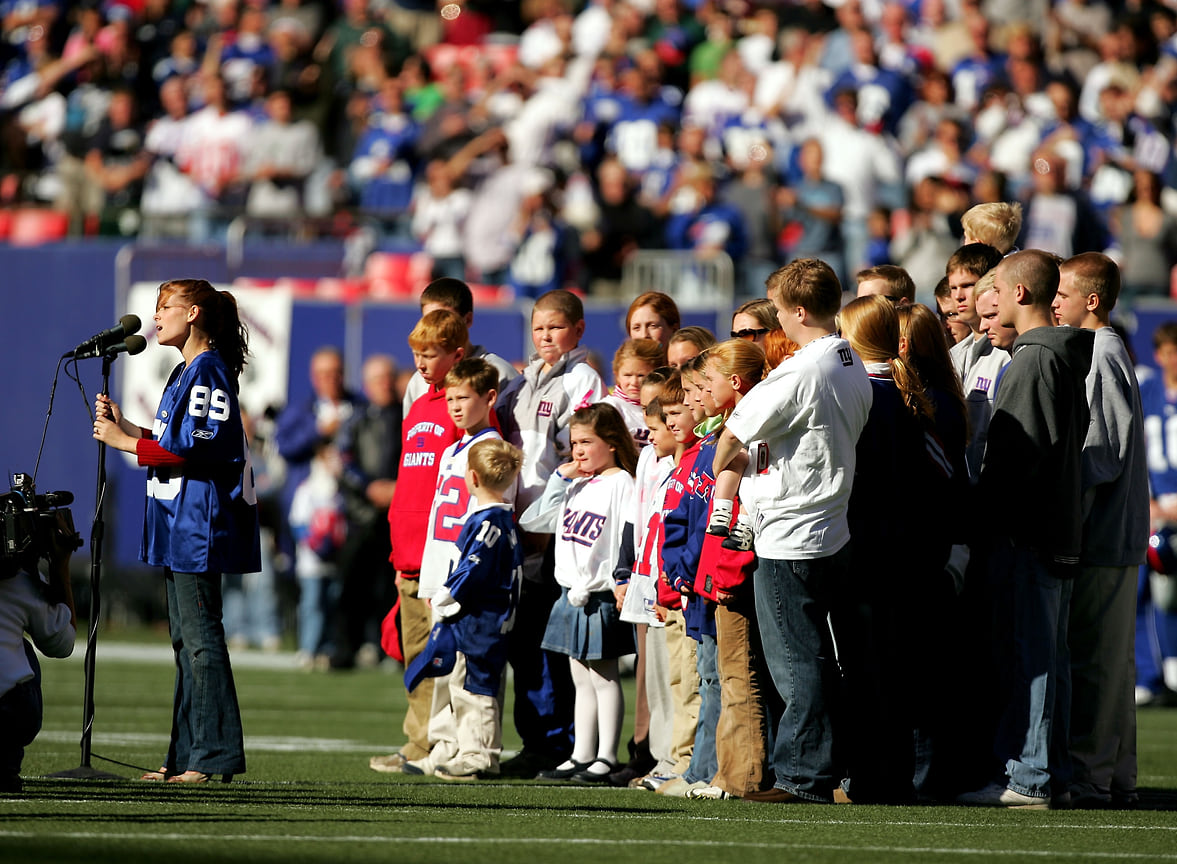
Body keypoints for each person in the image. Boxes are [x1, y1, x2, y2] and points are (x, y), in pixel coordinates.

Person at [713, 258, 872, 803]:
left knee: (796, 662)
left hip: (790, 532)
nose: (777, 321)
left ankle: (803, 777)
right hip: (830, 526)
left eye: (780, 311)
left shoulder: (803, 370)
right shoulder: (849, 358)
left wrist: (724, 472)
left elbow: (731, 437)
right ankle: (824, 769)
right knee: (818, 659)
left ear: (799, 310)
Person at [93, 278, 260, 784]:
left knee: (202, 641)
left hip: (198, 524)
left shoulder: (208, 370)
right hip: (177, 522)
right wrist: (134, 430)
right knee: (186, 642)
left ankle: (212, 758)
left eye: (166, 307)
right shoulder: (184, 371)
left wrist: (124, 442)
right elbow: (172, 439)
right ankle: (186, 753)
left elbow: (197, 449)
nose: (156, 316)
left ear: (193, 315)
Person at [959, 249, 1094, 809]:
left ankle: (1030, 775)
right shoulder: (1053, 356)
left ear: (1018, 294)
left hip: (1028, 535)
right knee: (1047, 658)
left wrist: (987, 518)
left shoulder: (1034, 362)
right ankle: (1049, 770)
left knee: (1032, 657)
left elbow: (1016, 461)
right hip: (1050, 530)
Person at [495, 289, 605, 776]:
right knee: (523, 642)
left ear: (578, 330)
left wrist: (550, 517)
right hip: (518, 527)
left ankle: (560, 741)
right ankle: (536, 737)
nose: (545, 336)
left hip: (553, 529)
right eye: (539, 328)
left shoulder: (583, 380)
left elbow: (579, 453)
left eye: (555, 327)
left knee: (548, 641)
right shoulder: (521, 383)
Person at [1054, 252, 1149, 809]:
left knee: (1096, 662)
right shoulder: (1100, 351)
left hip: (1105, 536)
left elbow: (1101, 452)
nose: (1055, 303)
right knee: (1110, 665)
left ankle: (1093, 777)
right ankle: (1116, 777)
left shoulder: (1102, 352)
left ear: (1092, 301)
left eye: (1063, 295)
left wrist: (1066, 509)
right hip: (1112, 535)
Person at [368, 310, 465, 775]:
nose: (422, 364)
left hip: (439, 552)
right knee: (413, 650)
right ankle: (418, 741)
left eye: (431, 355)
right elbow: (410, 478)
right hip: (406, 549)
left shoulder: (459, 406)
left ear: (456, 355)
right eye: (417, 355)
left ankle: (444, 743)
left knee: (441, 651)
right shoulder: (420, 403)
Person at [520, 402, 638, 783]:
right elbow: (532, 520)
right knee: (580, 679)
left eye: (588, 441)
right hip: (569, 593)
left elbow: (627, 534)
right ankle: (581, 753)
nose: (579, 451)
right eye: (574, 443)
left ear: (613, 442)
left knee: (604, 678)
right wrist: (558, 479)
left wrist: (622, 578)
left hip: (600, 593)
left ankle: (606, 755)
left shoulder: (621, 482)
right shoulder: (576, 482)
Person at [409, 358, 510, 777]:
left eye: (462, 398)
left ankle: (477, 748)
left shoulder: (491, 450)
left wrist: (460, 575)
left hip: (466, 573)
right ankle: (447, 742)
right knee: (445, 663)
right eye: (449, 398)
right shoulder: (453, 447)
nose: (453, 406)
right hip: (442, 565)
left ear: (487, 398)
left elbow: (490, 516)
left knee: (471, 666)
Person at [429, 438, 526, 781]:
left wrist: (444, 597)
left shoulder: (487, 524)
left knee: (475, 689)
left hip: (480, 621)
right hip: (494, 618)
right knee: (474, 686)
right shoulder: (505, 520)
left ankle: (479, 756)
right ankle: (475, 751)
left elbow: (472, 567)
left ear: (472, 477)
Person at [0, 501, 78, 793]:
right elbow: (62, 643)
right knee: (23, 654)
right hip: (8, 712)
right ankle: (5, 767)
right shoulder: (19, 584)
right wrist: (60, 566)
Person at [332, 355, 401, 669]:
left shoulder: (408, 416)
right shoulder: (357, 419)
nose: (383, 385)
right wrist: (369, 488)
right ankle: (346, 648)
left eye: (387, 378)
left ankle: (395, 651)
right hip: (361, 515)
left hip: (399, 515)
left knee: (395, 587)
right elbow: (343, 462)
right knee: (352, 585)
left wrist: (397, 489)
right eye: (376, 379)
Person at [400, 278, 518, 416]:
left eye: (445, 319)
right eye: (429, 320)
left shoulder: (500, 374)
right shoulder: (418, 382)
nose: (435, 328)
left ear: (467, 319)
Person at [1136, 322, 1177, 707]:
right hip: (1154, 511)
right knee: (1144, 587)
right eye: (1166, 351)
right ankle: (1151, 673)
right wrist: (1148, 501)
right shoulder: (1147, 391)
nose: (1172, 360)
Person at [945, 243, 1007, 480]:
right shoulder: (955, 355)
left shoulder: (1005, 354)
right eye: (953, 287)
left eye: (967, 285)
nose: (958, 295)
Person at [602, 338, 666, 449]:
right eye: (627, 375)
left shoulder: (666, 406)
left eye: (641, 375)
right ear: (617, 375)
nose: (634, 382)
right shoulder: (610, 407)